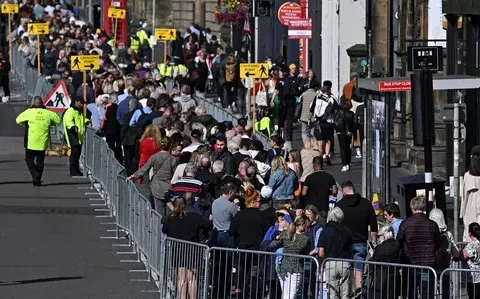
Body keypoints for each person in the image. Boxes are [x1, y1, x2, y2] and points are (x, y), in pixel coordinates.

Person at [162, 196, 211, 299]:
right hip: (193, 249)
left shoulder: (170, 218)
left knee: (181, 278)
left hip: (178, 249)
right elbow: (207, 224)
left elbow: (164, 229)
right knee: (192, 278)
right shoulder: (194, 217)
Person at [335, 181, 377, 297]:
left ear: (343, 191)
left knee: (345, 271)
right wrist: (374, 243)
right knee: (359, 270)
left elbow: (335, 225)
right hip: (360, 242)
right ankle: (358, 294)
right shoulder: (366, 204)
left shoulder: (339, 205)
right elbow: (373, 226)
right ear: (353, 188)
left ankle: (347, 294)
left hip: (344, 244)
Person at [397, 196, 440, 299]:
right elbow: (437, 243)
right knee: (427, 293)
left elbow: (398, 241)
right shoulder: (432, 224)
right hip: (427, 264)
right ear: (424, 207)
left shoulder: (405, 224)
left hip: (410, 263)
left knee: (411, 292)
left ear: (412, 208)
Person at [15, 96, 61, 186]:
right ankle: (37, 180)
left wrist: (24, 122)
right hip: (42, 141)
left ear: (33, 103)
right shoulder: (48, 113)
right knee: (40, 161)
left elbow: (18, 120)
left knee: (29, 159)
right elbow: (58, 121)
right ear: (42, 103)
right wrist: (50, 123)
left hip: (31, 141)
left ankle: (35, 174)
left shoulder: (29, 112)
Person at [266, 215, 311, 299]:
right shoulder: (305, 239)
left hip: (283, 267)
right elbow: (307, 252)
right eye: (307, 225)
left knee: (286, 294)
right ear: (302, 225)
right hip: (295, 268)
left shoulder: (285, 234)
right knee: (291, 295)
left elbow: (273, 244)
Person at [318, 207, 353, 299]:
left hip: (330, 263)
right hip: (345, 263)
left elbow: (321, 252)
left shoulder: (325, 231)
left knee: (333, 294)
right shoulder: (347, 231)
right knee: (345, 294)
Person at [367, 225, 401, 299]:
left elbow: (372, 264)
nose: (378, 238)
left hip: (382, 280)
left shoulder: (380, 248)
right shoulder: (398, 246)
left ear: (384, 236)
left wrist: (372, 255)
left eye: (379, 236)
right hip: (395, 279)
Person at [63, 97, 89, 177]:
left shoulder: (79, 112)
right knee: (74, 154)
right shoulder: (70, 111)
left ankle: (77, 170)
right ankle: (73, 171)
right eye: (80, 103)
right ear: (75, 102)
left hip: (78, 136)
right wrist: (73, 127)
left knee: (77, 154)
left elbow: (82, 120)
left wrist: (87, 121)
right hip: (72, 134)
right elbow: (68, 121)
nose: (82, 105)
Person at [461, 147, 480, 241]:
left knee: (471, 236)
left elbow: (464, 197)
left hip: (470, 209)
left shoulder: (467, 176)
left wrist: (462, 214)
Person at [458, 222, 480, 298]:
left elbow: (463, 256)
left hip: (473, 278)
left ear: (470, 233)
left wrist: (459, 254)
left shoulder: (472, 245)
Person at [335, 98, 354, 171]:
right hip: (349, 132)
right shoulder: (351, 113)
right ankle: (348, 163)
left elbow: (336, 122)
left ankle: (344, 164)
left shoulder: (338, 112)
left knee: (342, 149)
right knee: (348, 148)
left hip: (341, 132)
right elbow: (353, 123)